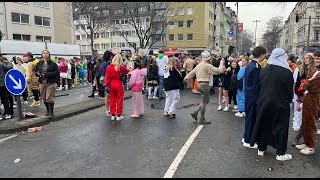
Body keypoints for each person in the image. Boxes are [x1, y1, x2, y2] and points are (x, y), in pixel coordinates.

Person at [250, 48, 294, 161]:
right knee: (281, 127)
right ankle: (280, 153)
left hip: (263, 101)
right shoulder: (286, 72)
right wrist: (290, 100)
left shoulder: (264, 69)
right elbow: (289, 91)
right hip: (280, 103)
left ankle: (261, 148)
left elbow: (261, 86)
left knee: (264, 124)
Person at [184, 51, 226, 124]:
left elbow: (192, 73)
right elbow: (219, 71)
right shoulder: (208, 65)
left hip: (199, 84)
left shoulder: (199, 65)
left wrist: (186, 77)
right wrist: (222, 63)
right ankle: (202, 118)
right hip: (205, 84)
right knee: (205, 101)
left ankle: (195, 112)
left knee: (205, 101)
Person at [295, 51, 320, 155]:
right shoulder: (316, 70)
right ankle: (306, 142)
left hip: (314, 100)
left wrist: (305, 85)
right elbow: (305, 81)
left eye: (319, 58)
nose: (317, 60)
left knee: (311, 123)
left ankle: (310, 146)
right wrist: (305, 84)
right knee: (306, 122)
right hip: (308, 99)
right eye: (316, 58)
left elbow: (311, 85)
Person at [242, 46, 267, 148]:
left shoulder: (250, 65)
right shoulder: (257, 67)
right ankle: (248, 140)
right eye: (264, 55)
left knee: (249, 118)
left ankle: (246, 137)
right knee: (251, 118)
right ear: (261, 55)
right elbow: (256, 85)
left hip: (249, 95)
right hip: (253, 97)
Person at [103, 54, 130, 121]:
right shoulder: (121, 67)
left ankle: (112, 115)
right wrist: (129, 68)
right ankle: (118, 115)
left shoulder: (109, 67)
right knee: (120, 100)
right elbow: (127, 71)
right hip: (119, 84)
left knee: (112, 100)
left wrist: (106, 85)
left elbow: (107, 78)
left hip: (112, 84)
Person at [34, 50, 59, 117]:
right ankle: (48, 110)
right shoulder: (39, 63)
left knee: (49, 98)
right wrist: (37, 74)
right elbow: (35, 71)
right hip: (42, 82)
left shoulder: (53, 64)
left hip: (50, 82)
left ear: (49, 54)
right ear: (42, 54)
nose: (45, 54)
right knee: (44, 98)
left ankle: (51, 112)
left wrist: (46, 74)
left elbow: (56, 73)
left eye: (46, 53)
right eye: (44, 53)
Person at [100, 50, 113, 116]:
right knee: (108, 96)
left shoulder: (103, 63)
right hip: (108, 81)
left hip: (106, 81)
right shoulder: (106, 64)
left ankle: (108, 110)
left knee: (107, 96)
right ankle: (108, 110)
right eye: (111, 56)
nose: (112, 57)